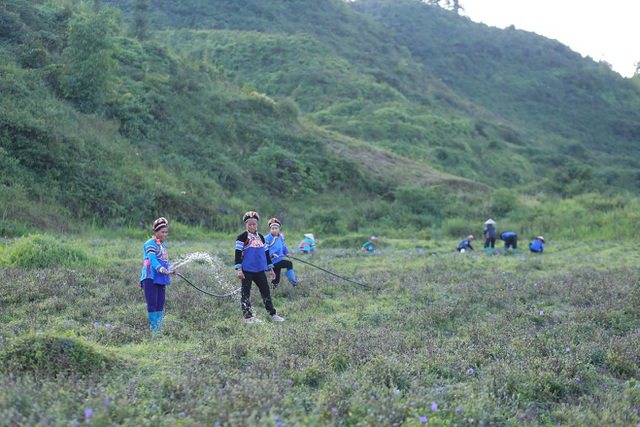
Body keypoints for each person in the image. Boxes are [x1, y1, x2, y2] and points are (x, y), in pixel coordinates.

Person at [235, 211, 284, 323]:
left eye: (254, 224)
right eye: (249, 224)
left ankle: (272, 314)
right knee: (246, 293)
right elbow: (237, 254)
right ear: (246, 225)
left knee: (265, 291)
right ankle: (248, 316)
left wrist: (271, 269)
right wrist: (239, 270)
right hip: (247, 270)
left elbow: (266, 254)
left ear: (257, 225)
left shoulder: (261, 237)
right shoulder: (242, 237)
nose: (252, 226)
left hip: (259, 270)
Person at [140, 217, 176, 334]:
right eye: (162, 232)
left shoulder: (163, 246)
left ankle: (158, 330)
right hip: (150, 277)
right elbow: (153, 260)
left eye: (166, 232)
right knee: (152, 303)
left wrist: (171, 269)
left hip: (161, 278)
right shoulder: (149, 244)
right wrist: (161, 269)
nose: (165, 234)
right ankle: (154, 330)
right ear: (155, 232)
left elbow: (165, 262)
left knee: (160, 303)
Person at [264, 217, 303, 289]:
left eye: (276, 228)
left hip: (278, 259)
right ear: (270, 229)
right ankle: (294, 282)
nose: (274, 230)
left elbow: (283, 247)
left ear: (279, 229)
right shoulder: (267, 238)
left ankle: (272, 290)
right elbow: (265, 249)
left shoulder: (280, 238)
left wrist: (287, 253)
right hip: (271, 261)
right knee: (289, 264)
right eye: (273, 228)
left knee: (276, 278)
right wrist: (272, 254)